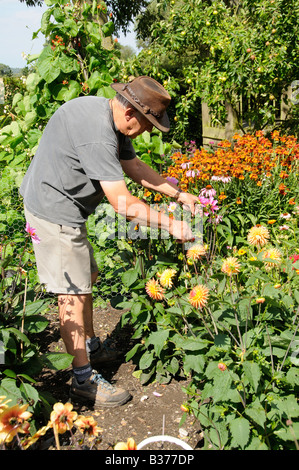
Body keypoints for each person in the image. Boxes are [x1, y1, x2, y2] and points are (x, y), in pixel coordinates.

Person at [20, 76, 199, 408]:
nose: (146, 132)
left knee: (88, 277)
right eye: (148, 125)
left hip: (69, 208)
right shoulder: (98, 136)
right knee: (71, 294)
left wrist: (176, 193)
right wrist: (172, 225)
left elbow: (133, 166)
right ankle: (83, 380)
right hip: (52, 208)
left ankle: (89, 347)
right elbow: (123, 204)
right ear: (131, 113)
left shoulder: (113, 121)